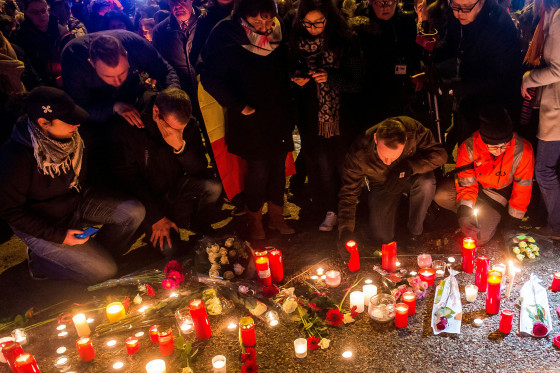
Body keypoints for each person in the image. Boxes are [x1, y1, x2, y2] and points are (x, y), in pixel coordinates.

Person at [0, 87, 145, 284]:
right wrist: (60, 236)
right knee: (105, 271)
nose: (76, 123)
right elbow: (11, 212)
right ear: (43, 123)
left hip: (74, 202)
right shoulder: (16, 158)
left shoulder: (74, 138)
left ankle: (90, 257)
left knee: (133, 212)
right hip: (44, 222)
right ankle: (41, 262)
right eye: (68, 120)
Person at [199, 0, 295, 240]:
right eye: (257, 20)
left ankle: (276, 216)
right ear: (242, 15)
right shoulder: (225, 34)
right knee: (258, 170)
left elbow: (286, 65)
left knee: (278, 169)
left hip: (278, 113)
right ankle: (255, 220)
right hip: (250, 116)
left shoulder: (277, 31)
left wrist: (297, 76)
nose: (264, 26)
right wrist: (238, 105)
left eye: (268, 19)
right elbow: (210, 77)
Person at [111, 88, 222, 256]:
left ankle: (195, 222)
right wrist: (156, 217)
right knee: (172, 250)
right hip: (147, 201)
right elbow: (128, 180)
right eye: (171, 128)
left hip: (174, 188)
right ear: (156, 112)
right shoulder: (132, 128)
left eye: (181, 129)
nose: (177, 132)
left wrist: (180, 146)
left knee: (213, 187)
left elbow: (199, 168)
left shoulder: (188, 123)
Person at [288, 0, 362, 231]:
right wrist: (297, 80)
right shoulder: (295, 43)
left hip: (341, 117)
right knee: (320, 165)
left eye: (318, 23)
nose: (313, 28)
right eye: (307, 23)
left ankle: (351, 210)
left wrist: (330, 77)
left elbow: (357, 82)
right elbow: (289, 75)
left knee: (343, 164)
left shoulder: (345, 42)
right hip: (310, 117)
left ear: (329, 19)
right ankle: (329, 209)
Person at [338, 116, 447, 247]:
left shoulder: (413, 130)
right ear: (375, 139)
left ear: (406, 140)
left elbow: (441, 155)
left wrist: (411, 167)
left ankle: (415, 232)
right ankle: (400, 208)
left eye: (394, 156)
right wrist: (345, 230)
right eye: (383, 156)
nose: (389, 162)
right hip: (382, 184)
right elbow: (349, 194)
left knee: (426, 182)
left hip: (410, 176)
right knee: (382, 237)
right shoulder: (359, 151)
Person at [434, 106, 534, 245]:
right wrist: (464, 215)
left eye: (505, 145)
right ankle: (472, 216)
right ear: (484, 140)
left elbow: (523, 190)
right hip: (474, 186)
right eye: (493, 147)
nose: (499, 151)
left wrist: (512, 224)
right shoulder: (469, 146)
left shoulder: (523, 150)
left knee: (479, 239)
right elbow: (467, 183)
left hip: (497, 194)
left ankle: (490, 217)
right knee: (442, 196)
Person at [433, 0, 522, 147]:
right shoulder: (456, 13)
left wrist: (457, 87)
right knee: (465, 143)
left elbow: (500, 77)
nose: (459, 12)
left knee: (479, 148)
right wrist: (434, 55)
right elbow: (453, 44)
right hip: (469, 94)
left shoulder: (499, 26)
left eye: (466, 7)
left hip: (496, 104)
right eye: (455, 6)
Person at [61, 30, 180, 125]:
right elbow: (80, 108)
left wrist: (171, 97)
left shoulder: (137, 45)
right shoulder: (73, 60)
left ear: (126, 55)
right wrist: (113, 107)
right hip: (97, 111)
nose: (118, 82)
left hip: (134, 98)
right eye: (108, 76)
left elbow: (165, 71)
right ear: (92, 63)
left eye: (123, 72)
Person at [521, 0, 560, 239]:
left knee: (544, 169)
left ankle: (556, 226)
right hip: (553, 107)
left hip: (556, 109)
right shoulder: (550, 15)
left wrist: (529, 78)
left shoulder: (556, 17)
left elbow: (558, 69)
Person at [351, 0, 421, 126]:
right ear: (371, 3)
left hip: (400, 92)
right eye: (380, 2)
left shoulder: (407, 23)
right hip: (370, 95)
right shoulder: (360, 28)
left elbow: (414, 53)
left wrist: (416, 71)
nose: (385, 6)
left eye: (389, 1)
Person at [9, 0, 68, 87]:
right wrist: (53, 83)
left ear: (48, 11)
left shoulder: (63, 33)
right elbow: (28, 74)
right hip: (42, 91)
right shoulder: (20, 38)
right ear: (26, 13)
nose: (41, 15)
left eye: (43, 11)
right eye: (34, 12)